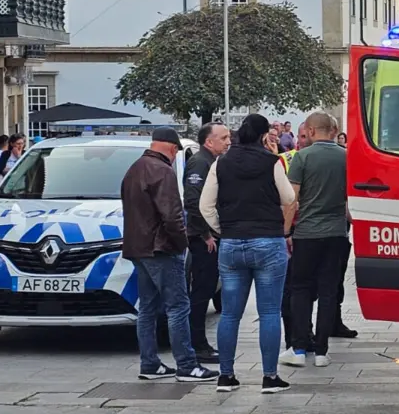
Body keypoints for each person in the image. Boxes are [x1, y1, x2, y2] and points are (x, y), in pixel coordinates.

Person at [199, 113, 296, 393]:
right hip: (267, 241)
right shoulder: (271, 162)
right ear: (264, 135)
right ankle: (269, 377)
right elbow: (289, 198)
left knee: (230, 314)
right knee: (268, 313)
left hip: (231, 243)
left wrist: (222, 229)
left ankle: (226, 376)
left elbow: (206, 205)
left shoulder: (221, 163)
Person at [121, 128, 216, 383]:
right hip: (161, 249)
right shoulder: (163, 171)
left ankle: (149, 363)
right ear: (173, 149)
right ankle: (186, 365)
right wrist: (181, 244)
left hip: (137, 248)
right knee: (178, 307)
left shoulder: (134, 168)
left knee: (148, 309)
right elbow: (172, 216)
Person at [279, 112, 349, 368]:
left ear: (309, 130)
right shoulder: (346, 157)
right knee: (329, 290)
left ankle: (298, 349)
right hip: (336, 233)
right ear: (333, 130)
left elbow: (291, 200)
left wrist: (286, 232)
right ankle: (321, 352)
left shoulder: (302, 158)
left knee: (300, 289)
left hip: (307, 233)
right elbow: (350, 199)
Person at [182, 122, 231, 361]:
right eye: (223, 138)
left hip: (208, 235)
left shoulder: (212, 161)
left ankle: (198, 342)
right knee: (202, 290)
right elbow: (193, 201)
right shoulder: (200, 163)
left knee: (208, 287)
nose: (228, 142)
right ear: (208, 141)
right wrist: (206, 233)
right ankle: (197, 344)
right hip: (203, 238)